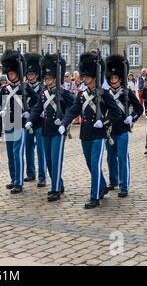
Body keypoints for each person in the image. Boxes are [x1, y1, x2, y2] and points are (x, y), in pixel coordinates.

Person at [59, 52, 122, 209]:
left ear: (95, 76)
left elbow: (116, 112)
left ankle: (94, 197)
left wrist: (104, 121)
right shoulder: (81, 95)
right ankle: (101, 187)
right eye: (84, 76)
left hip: (99, 135)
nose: (84, 78)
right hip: (85, 134)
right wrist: (64, 123)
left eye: (87, 76)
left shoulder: (104, 94)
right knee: (89, 164)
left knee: (95, 164)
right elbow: (73, 111)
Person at [26, 53, 75, 201]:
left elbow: (73, 108)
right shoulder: (43, 93)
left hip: (58, 131)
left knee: (56, 159)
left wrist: (65, 122)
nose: (47, 81)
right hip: (46, 129)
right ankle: (58, 183)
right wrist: (31, 120)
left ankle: (55, 190)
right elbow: (37, 108)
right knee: (48, 161)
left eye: (49, 78)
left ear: (55, 78)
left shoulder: (64, 93)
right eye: (45, 78)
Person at [0, 50, 39, 194]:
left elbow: (37, 102)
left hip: (21, 123)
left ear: (17, 72)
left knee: (17, 153)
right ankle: (13, 178)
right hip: (9, 123)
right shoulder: (4, 89)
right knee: (10, 153)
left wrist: (30, 114)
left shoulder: (26, 87)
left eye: (12, 73)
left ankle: (19, 182)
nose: (10, 75)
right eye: (9, 74)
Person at [104, 55, 144, 198]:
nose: (113, 80)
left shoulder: (127, 92)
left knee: (122, 157)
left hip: (122, 129)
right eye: (112, 78)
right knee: (110, 157)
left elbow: (139, 108)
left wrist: (131, 117)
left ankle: (124, 185)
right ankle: (113, 181)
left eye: (116, 78)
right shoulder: (106, 93)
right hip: (110, 130)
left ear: (121, 79)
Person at [23, 53, 46, 186]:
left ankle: (42, 176)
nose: (30, 76)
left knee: (41, 150)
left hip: (40, 122)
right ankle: (30, 173)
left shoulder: (42, 88)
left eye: (32, 74)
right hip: (27, 123)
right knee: (28, 149)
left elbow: (39, 101)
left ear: (37, 75)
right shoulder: (24, 87)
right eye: (28, 74)